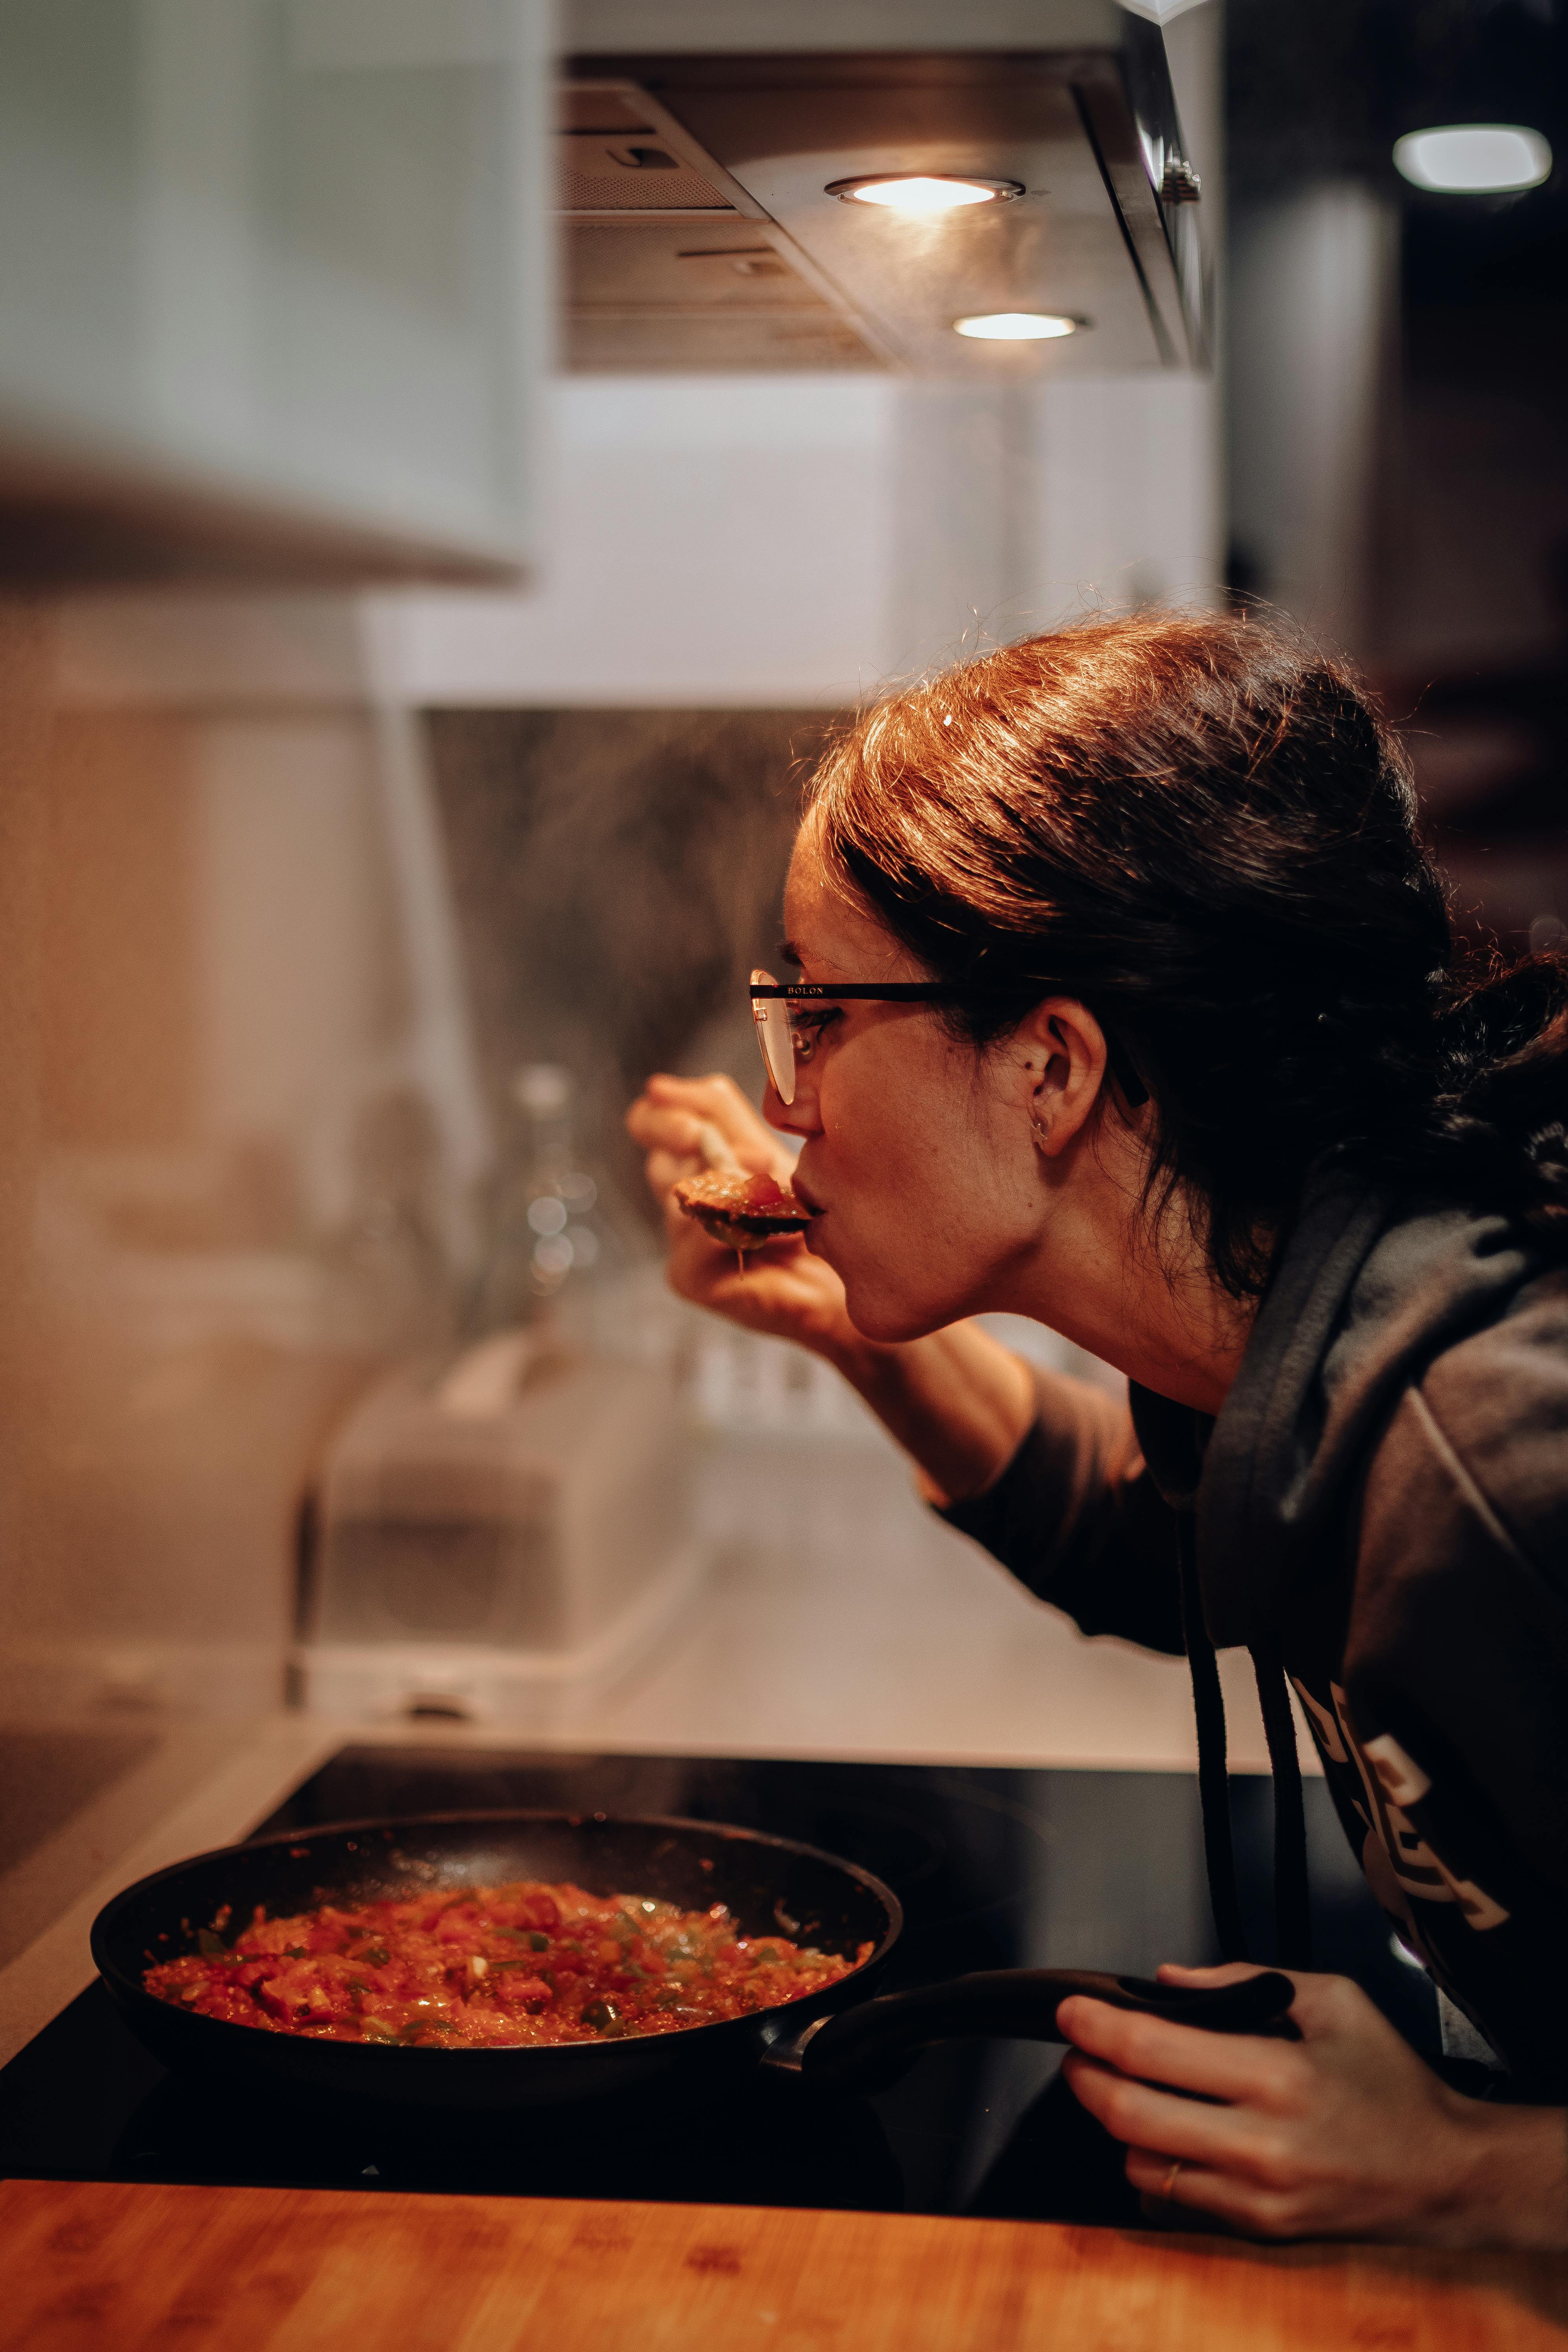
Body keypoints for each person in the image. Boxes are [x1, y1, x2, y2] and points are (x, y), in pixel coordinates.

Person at [626, 610, 1568, 2250]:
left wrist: (1463, 2163)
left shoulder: (1498, 1464)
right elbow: (1149, 1540)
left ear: (1048, 1065)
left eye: (819, 1019)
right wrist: (860, 1342)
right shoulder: (1306, 1327)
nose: (786, 1101)